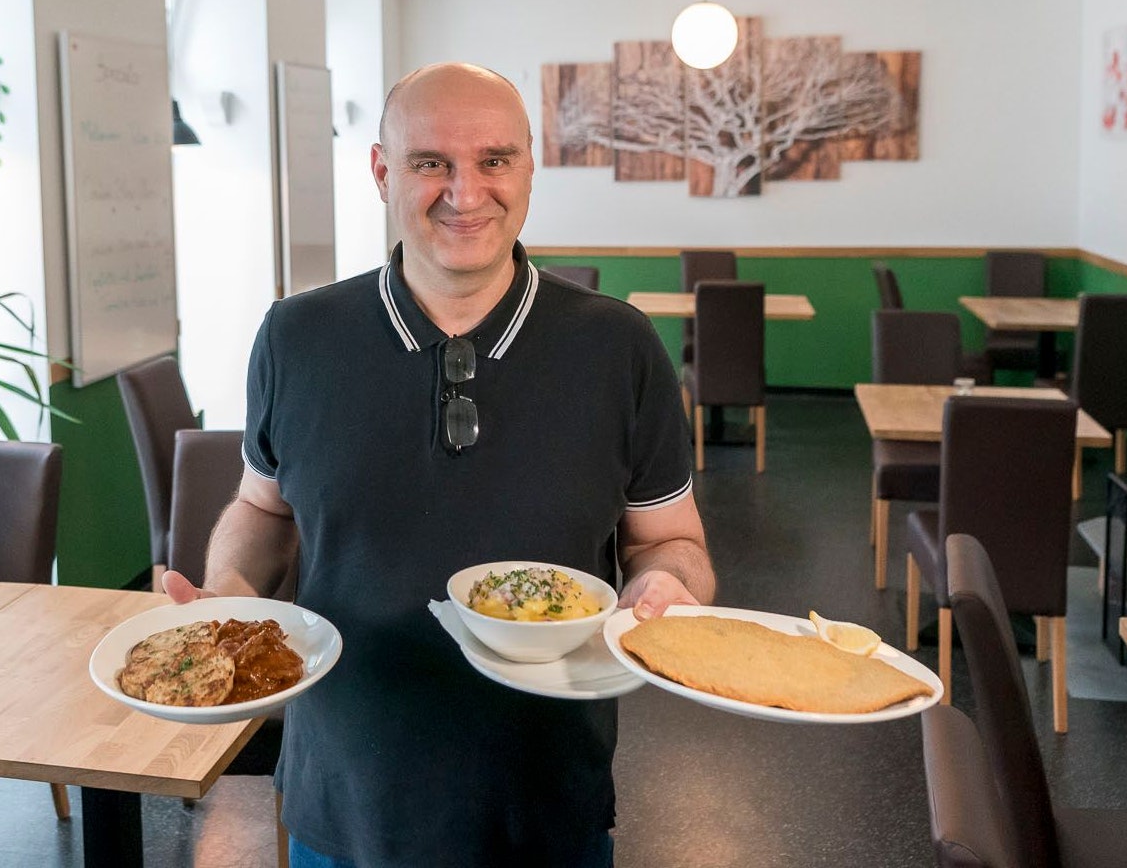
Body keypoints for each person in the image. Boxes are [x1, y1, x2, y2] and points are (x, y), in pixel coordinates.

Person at [161, 62, 715, 867]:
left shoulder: (619, 346)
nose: (466, 191)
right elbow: (261, 510)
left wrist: (665, 585)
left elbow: (673, 542)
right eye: (431, 163)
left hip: (548, 799)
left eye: (494, 160)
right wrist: (235, 596)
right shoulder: (295, 337)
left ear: (529, 168)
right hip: (343, 800)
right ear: (383, 172)